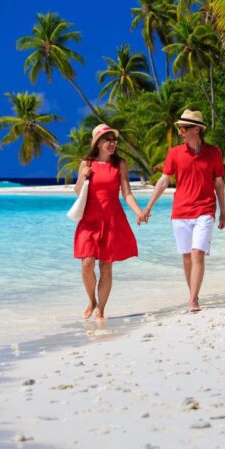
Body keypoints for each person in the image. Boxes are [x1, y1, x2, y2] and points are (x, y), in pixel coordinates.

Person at [139, 109, 225, 312]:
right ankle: (192, 294)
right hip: (180, 212)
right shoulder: (175, 154)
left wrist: (222, 211)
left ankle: (193, 299)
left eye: (184, 128)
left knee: (197, 253)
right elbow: (163, 181)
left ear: (197, 129)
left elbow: (219, 183)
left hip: (205, 209)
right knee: (187, 256)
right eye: (179, 128)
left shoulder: (214, 153)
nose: (180, 132)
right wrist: (148, 207)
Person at [73, 124, 143, 321]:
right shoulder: (86, 163)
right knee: (87, 263)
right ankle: (91, 300)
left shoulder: (120, 164)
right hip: (89, 220)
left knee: (106, 266)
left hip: (112, 218)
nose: (112, 143)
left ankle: (101, 309)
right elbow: (78, 192)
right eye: (107, 140)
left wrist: (139, 212)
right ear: (98, 143)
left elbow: (127, 193)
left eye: (114, 140)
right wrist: (84, 176)